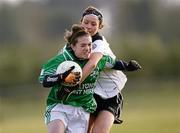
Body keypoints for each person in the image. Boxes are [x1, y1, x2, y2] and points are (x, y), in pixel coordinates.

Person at [39, 24, 118, 133]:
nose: (87, 49)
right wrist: (61, 77)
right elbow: (44, 80)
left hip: (82, 111)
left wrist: (128, 66)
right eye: (83, 45)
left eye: (90, 45)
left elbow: (114, 63)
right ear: (73, 46)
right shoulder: (62, 60)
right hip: (60, 107)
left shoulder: (97, 59)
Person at [78, 6, 142, 133]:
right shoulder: (75, 43)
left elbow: (92, 64)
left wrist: (74, 83)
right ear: (80, 22)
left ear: (99, 27)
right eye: (86, 22)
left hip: (110, 94)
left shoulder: (98, 43)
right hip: (90, 94)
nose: (88, 26)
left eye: (93, 24)